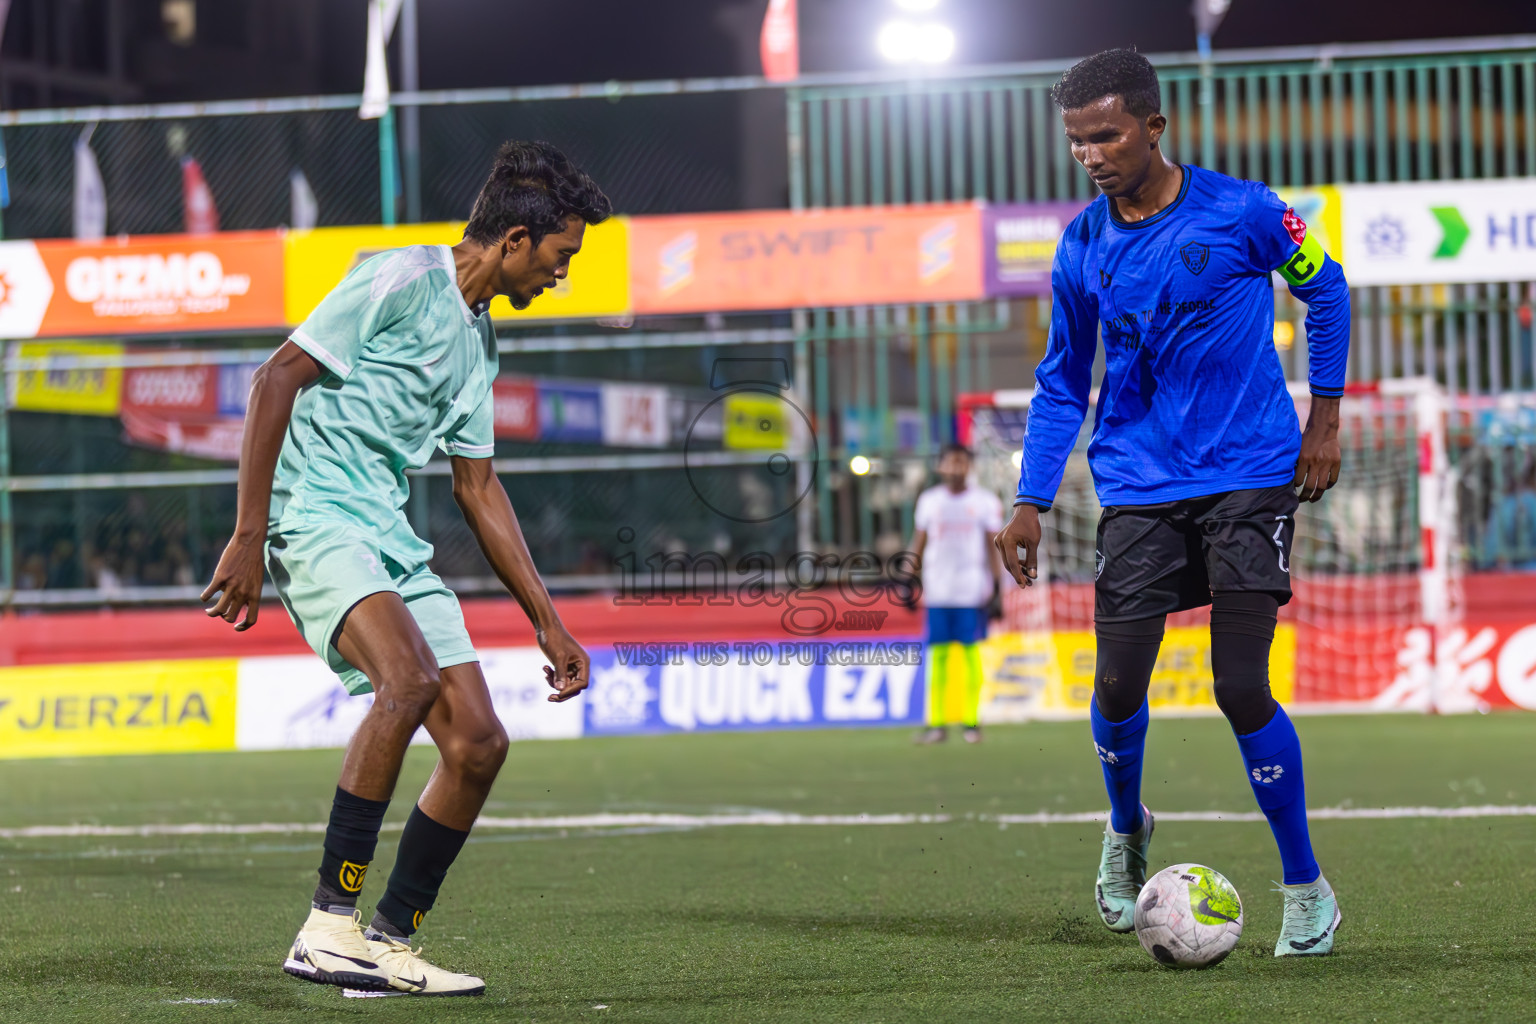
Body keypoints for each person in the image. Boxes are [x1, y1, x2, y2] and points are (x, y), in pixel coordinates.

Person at [201, 141, 611, 996]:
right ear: (514, 240)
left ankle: (386, 940)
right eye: (561, 256)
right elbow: (276, 378)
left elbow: (479, 486)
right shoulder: (399, 277)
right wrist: (248, 534)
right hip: (314, 516)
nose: (562, 275)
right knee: (409, 679)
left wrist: (548, 618)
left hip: (384, 536)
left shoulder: (479, 343)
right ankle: (326, 926)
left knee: (478, 745)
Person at [993, 49, 1350, 957]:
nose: (1092, 154)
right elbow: (1062, 380)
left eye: (1107, 134)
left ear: (1155, 126)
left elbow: (1327, 288)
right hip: (1141, 485)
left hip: (1250, 472)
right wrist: (1032, 496)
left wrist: (1325, 418)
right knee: (1114, 685)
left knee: (1239, 684)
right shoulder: (1079, 245)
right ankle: (1126, 827)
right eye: (1078, 141)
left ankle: (1307, 889)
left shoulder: (1247, 210)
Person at [911, 444, 1004, 744]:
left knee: (970, 657)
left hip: (971, 591)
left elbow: (993, 546)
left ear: (969, 467)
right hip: (937, 590)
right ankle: (936, 724)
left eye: (961, 462)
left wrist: (998, 587)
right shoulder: (928, 501)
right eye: (950, 462)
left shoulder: (985, 501)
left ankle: (971, 723)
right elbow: (919, 543)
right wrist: (908, 578)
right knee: (937, 659)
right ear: (940, 467)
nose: (955, 468)